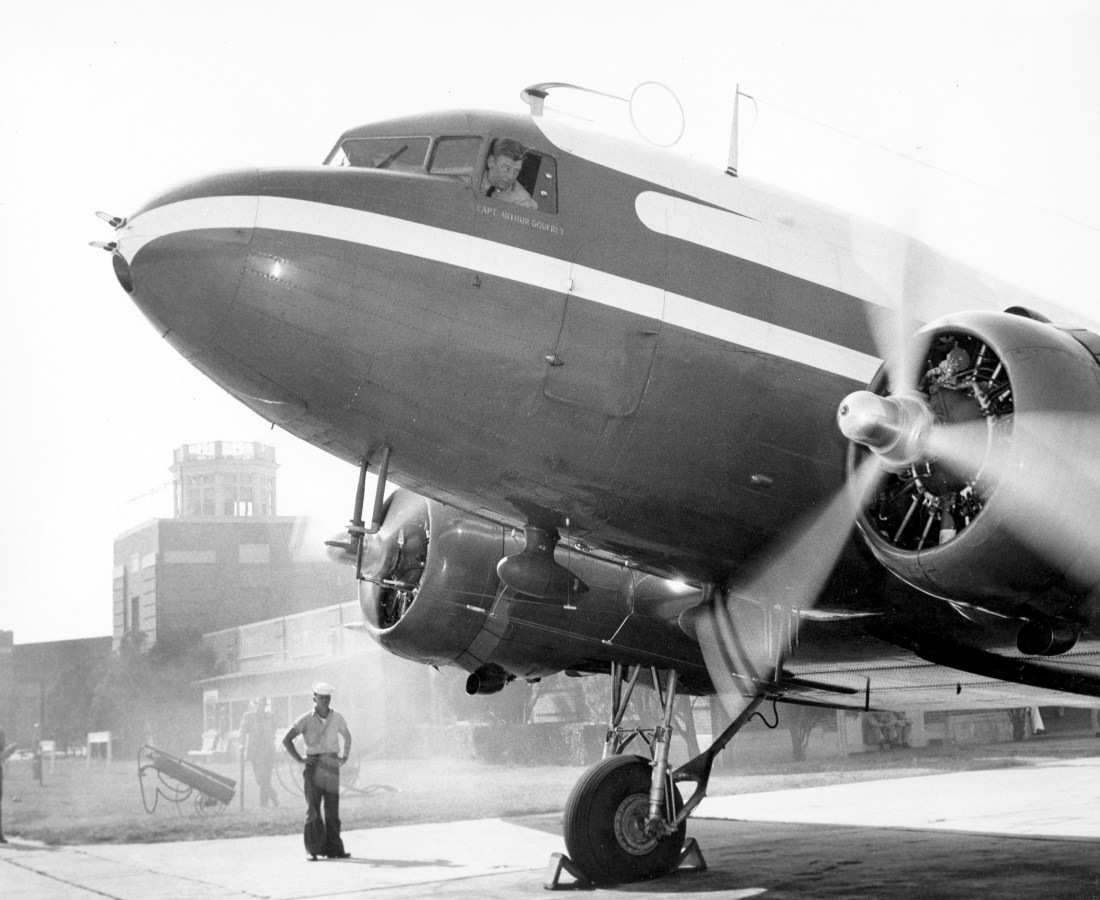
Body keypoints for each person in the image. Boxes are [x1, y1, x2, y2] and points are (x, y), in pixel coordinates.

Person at [282, 683, 352, 860]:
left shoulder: (337, 717)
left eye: (328, 698)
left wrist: (344, 756)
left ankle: (335, 849)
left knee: (332, 809)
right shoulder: (305, 719)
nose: (325, 701)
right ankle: (313, 849)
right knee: (313, 809)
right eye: (321, 698)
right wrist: (300, 759)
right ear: (314, 698)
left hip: (331, 764)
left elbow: (347, 736)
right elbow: (287, 739)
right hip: (313, 765)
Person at [240, 697, 279, 807]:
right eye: (259, 705)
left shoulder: (270, 716)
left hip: (268, 750)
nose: (261, 707)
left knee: (267, 777)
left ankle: (264, 803)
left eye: (263, 705)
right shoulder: (248, 716)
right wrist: (242, 744)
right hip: (255, 752)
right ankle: (273, 795)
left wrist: (272, 737)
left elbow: (274, 728)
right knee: (260, 779)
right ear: (255, 705)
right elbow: (242, 731)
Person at [481, 138, 538, 209]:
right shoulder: (471, 178)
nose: (511, 177)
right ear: (491, 162)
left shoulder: (521, 200)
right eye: (506, 169)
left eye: (515, 171)